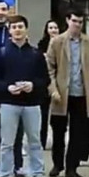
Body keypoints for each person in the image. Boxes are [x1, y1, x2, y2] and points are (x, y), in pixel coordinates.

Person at [0, 14, 52, 177]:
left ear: (26, 29)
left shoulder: (36, 55)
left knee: (34, 141)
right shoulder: (1, 54)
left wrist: (33, 85)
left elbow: (45, 80)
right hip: (8, 103)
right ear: (9, 31)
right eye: (14, 27)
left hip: (32, 104)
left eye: (20, 27)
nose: (17, 30)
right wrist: (7, 87)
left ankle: (38, 174)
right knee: (7, 142)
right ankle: (6, 174)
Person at [46, 11, 89, 177]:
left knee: (78, 133)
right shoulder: (57, 42)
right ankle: (57, 164)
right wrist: (53, 89)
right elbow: (49, 69)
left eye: (80, 22)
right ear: (67, 20)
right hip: (61, 94)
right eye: (74, 21)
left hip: (82, 94)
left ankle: (72, 167)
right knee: (58, 131)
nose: (77, 24)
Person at [0, 0, 22, 177]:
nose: (0, 12)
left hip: (14, 87)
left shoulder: (15, 34)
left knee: (15, 129)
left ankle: (17, 165)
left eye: (3, 9)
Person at [36, 19, 61, 148]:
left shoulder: (63, 44)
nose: (53, 30)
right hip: (45, 82)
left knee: (58, 115)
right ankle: (42, 140)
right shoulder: (41, 45)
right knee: (43, 114)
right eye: (50, 28)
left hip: (60, 83)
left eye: (55, 28)